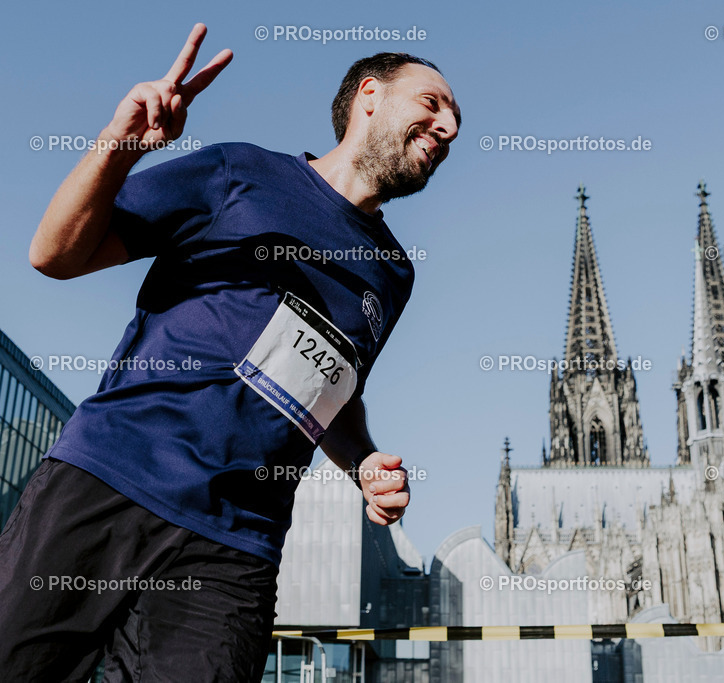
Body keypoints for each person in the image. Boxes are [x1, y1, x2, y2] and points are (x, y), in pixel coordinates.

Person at [0, 23, 460, 682]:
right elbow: (55, 253)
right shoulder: (239, 173)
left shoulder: (393, 275)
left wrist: (360, 461)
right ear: (369, 96)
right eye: (433, 104)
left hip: (234, 546)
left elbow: (336, 394)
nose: (448, 128)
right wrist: (120, 146)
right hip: (109, 479)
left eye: (456, 120)